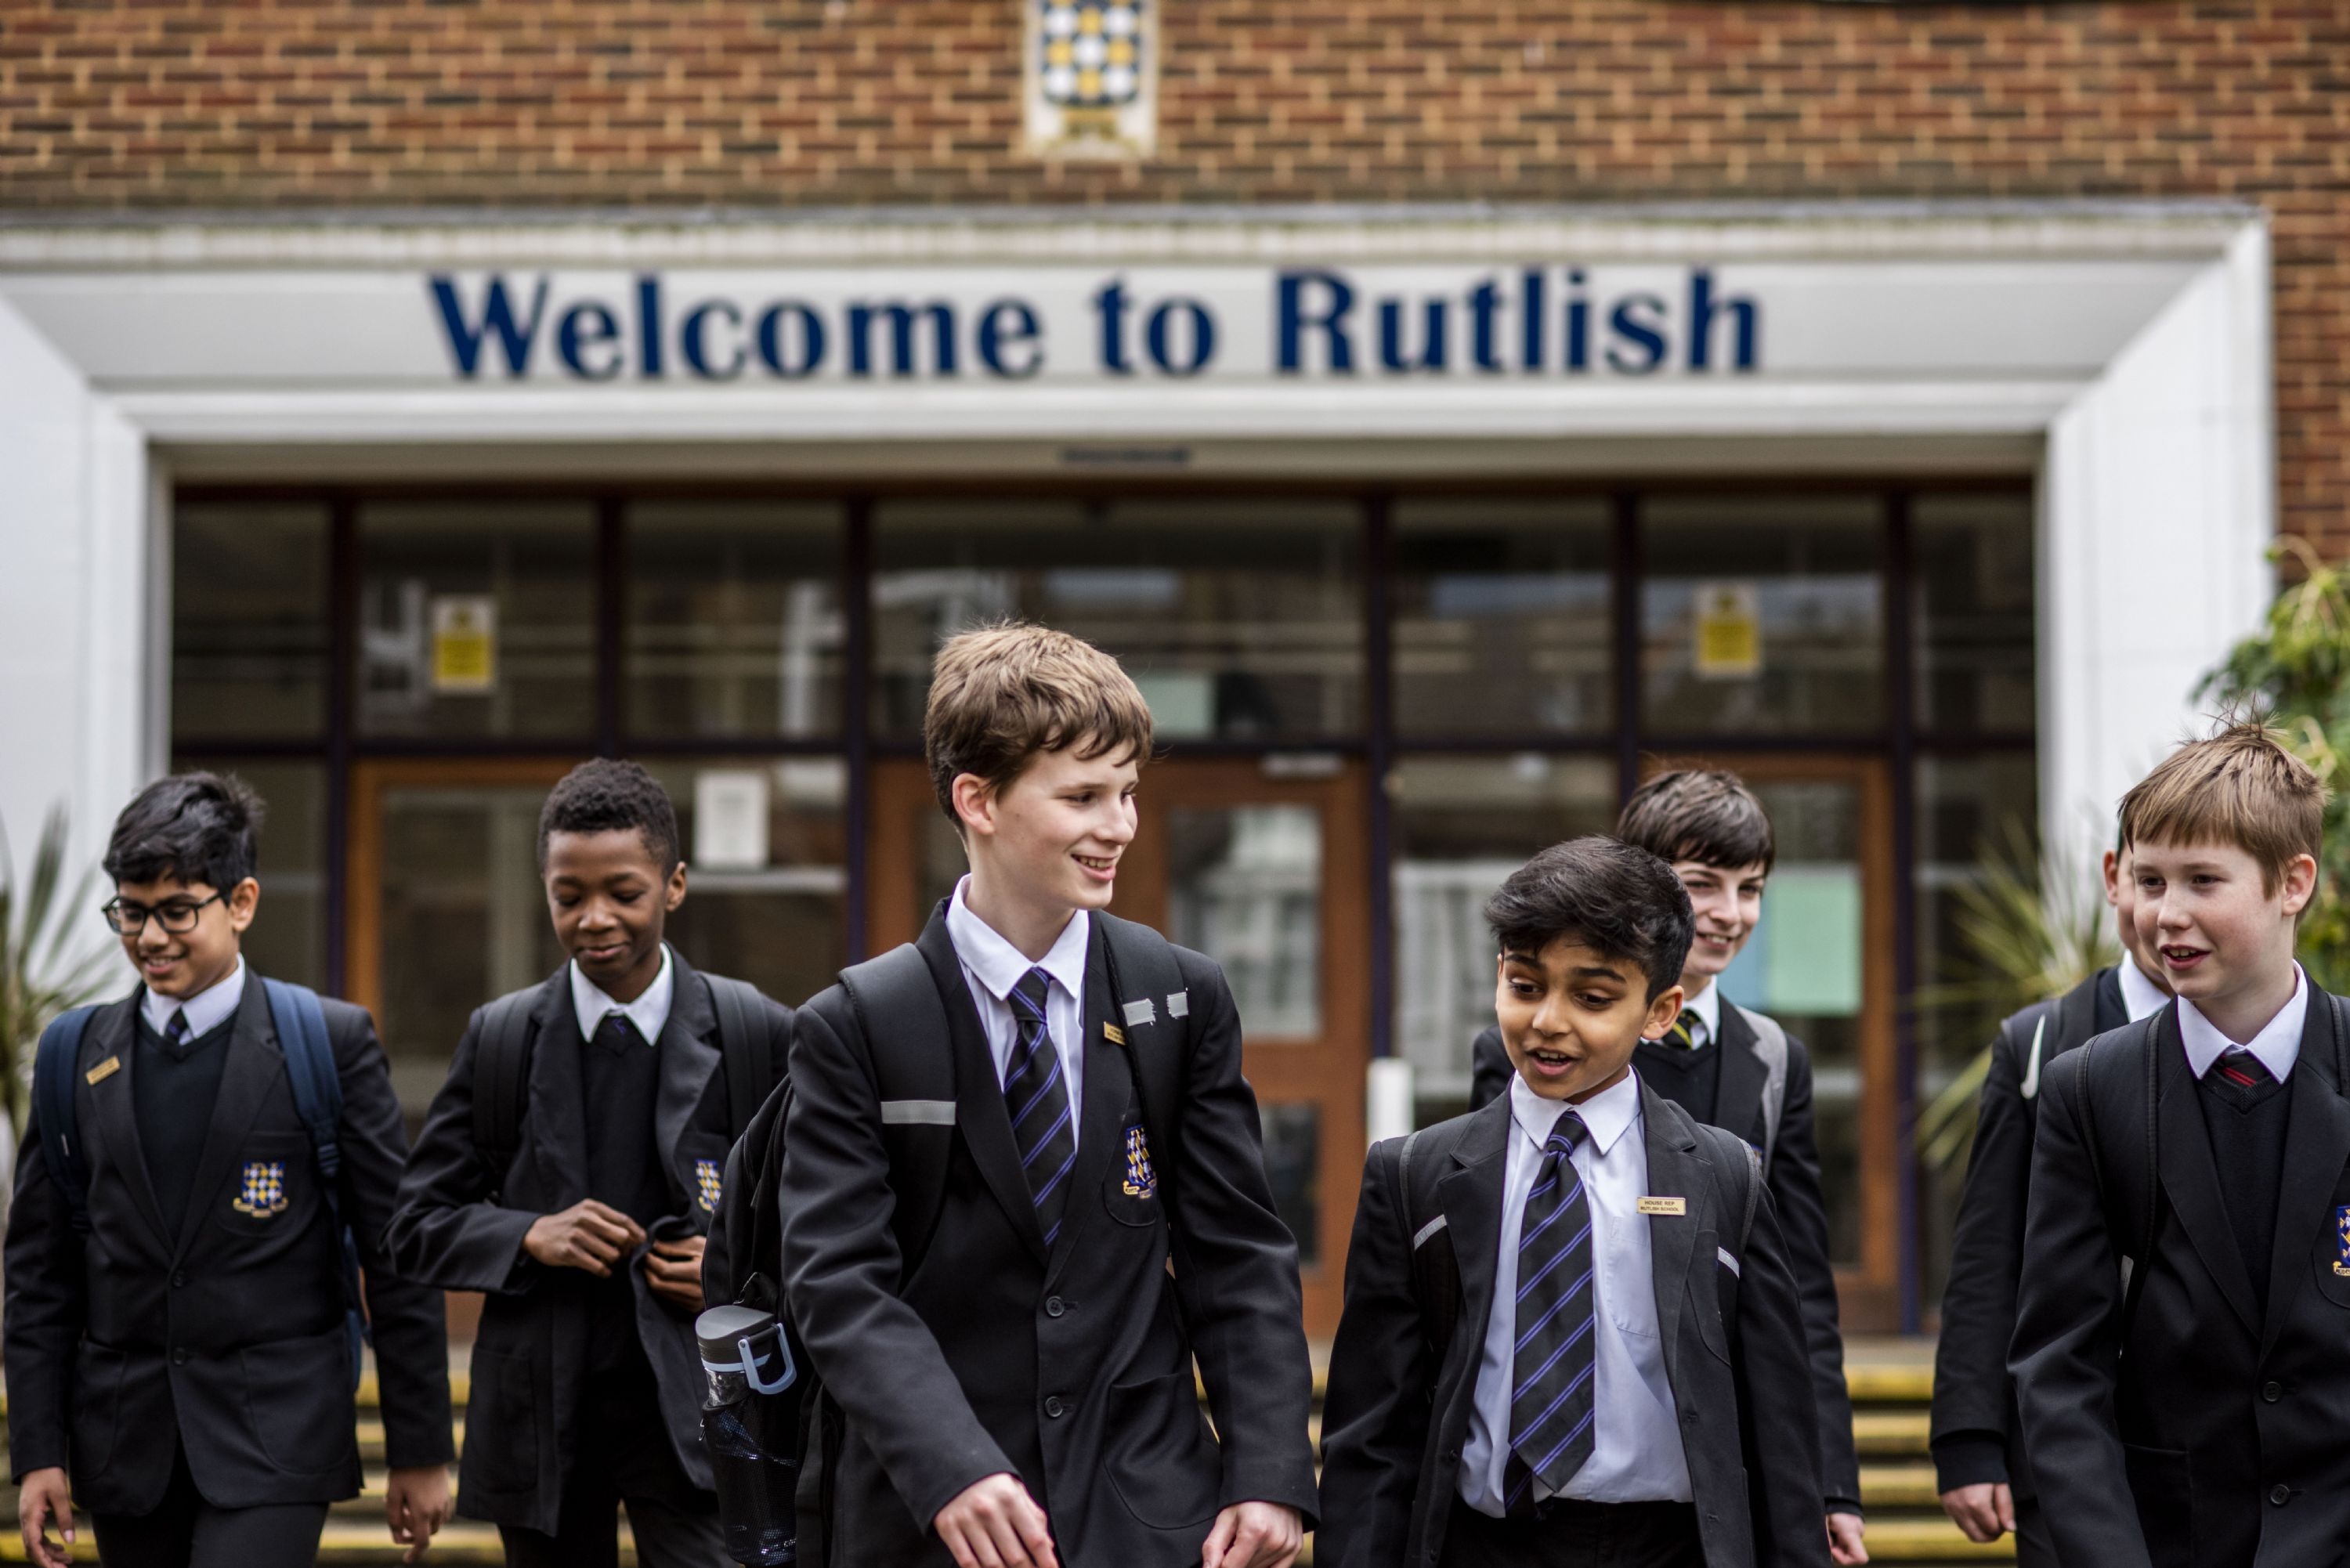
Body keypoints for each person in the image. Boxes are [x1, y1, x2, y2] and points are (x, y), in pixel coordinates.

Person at [779, 623, 1318, 1568]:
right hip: (934, 1518)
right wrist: (950, 1465)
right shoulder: (857, 1022)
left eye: (1128, 794)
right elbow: (838, 1283)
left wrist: (1270, 1469)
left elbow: (1235, 1251)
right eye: (1083, 796)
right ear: (976, 800)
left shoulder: (1181, 996)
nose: (1119, 826)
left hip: (1146, 1508)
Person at [1320, 836, 1828, 1568]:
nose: (1549, 1021)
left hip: (1667, 1547)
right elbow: (1371, 1430)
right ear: (1500, 974)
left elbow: (1779, 1428)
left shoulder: (1724, 1177)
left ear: (1660, 1012)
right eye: (1526, 986)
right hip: (1482, 1545)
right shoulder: (1416, 1175)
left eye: (1592, 998)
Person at [5, 773, 454, 1568]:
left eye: (177, 910)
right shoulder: (75, 1053)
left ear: (241, 902)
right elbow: (40, 1271)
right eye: (130, 911)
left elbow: (395, 1254)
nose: (150, 936)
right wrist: (40, 1452)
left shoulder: (329, 1042)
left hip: (276, 1431)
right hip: (123, 1441)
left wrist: (421, 1447)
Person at [385, 759, 792, 1568]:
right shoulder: (501, 1038)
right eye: (568, 897)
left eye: (624, 893)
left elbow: (821, 1222)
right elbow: (415, 1228)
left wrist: (730, 1265)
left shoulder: (757, 1033)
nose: (594, 918)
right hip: (543, 1424)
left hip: (707, 1416)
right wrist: (528, 1234)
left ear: (674, 885)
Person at [1467, 771, 1863, 1563]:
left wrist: (1830, 1483)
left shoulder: (1774, 1060)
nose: (1729, 912)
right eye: (1702, 885)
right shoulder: (1539, 1049)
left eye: (1750, 889)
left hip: (1720, 1438)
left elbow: (1801, 1298)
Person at [2012, 722, 2350, 1568]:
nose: (2167, 915)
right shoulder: (2088, 1088)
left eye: (2204, 881)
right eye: (2150, 880)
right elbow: (2061, 1365)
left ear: (2293, 883)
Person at [1930, 837, 2170, 1562]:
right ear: (2113, 878)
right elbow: (1990, 1249)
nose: (2171, 912)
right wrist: (1970, 1437)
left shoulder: (2276, 1037)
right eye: (2150, 880)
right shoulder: (2040, 1042)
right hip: (2061, 1443)